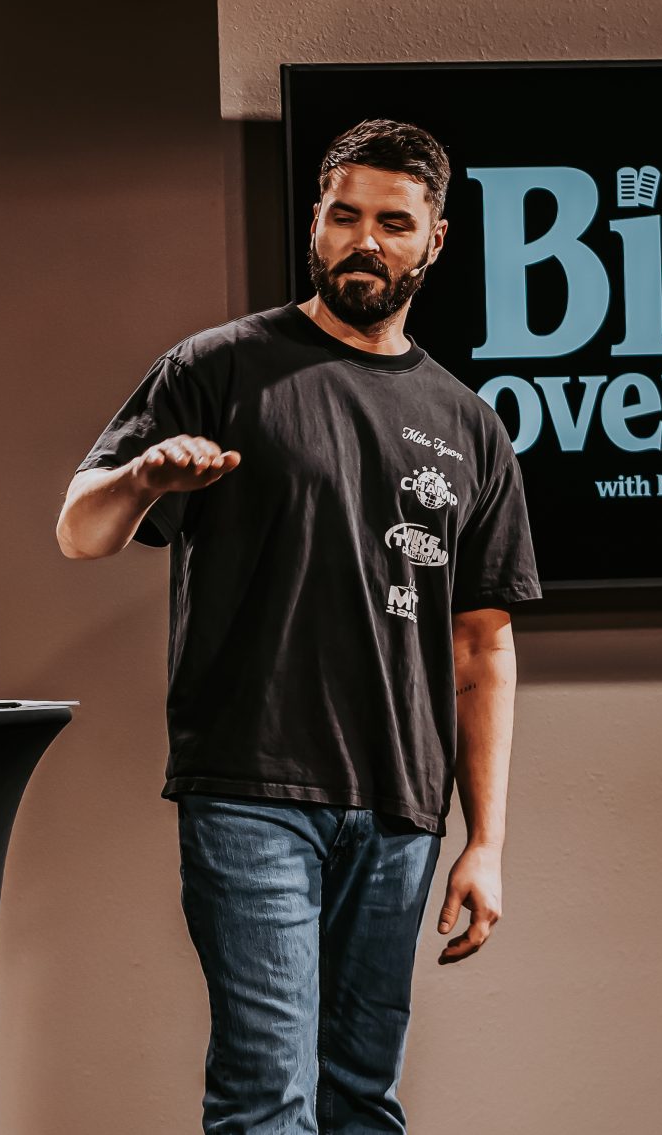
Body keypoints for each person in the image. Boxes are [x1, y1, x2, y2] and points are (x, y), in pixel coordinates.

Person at [57, 119, 540, 1134]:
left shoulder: (469, 424)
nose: (364, 241)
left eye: (393, 223)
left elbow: (480, 647)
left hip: (402, 806)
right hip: (252, 791)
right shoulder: (219, 367)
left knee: (363, 1098)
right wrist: (143, 478)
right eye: (343, 215)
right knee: (267, 1097)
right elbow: (79, 532)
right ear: (315, 220)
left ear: (435, 240)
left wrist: (485, 841)